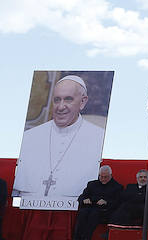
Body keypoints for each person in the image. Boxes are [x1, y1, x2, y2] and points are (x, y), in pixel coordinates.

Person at [12, 75, 107, 206]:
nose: (61, 107)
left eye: (68, 99)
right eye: (57, 100)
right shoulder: (30, 137)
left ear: (83, 101)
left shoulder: (98, 136)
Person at [72, 165, 123, 240]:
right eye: (101, 176)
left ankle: (86, 239)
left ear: (111, 176)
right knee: (82, 213)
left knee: (94, 214)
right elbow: (82, 196)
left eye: (105, 177)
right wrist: (84, 199)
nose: (103, 179)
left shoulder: (117, 187)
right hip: (89, 207)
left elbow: (118, 202)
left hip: (104, 211)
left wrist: (106, 202)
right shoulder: (92, 184)